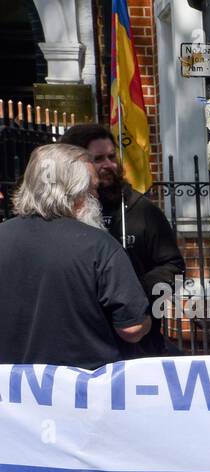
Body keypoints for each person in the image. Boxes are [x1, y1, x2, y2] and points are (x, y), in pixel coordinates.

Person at [0, 143, 150, 367]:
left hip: (11, 390)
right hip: (82, 390)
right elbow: (132, 328)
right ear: (75, 192)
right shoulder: (99, 245)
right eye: (92, 189)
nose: (96, 197)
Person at [61, 123, 185, 356]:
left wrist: (136, 291)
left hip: (137, 339)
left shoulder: (143, 211)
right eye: (98, 159)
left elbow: (173, 265)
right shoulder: (63, 214)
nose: (109, 165)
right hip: (81, 341)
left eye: (111, 156)